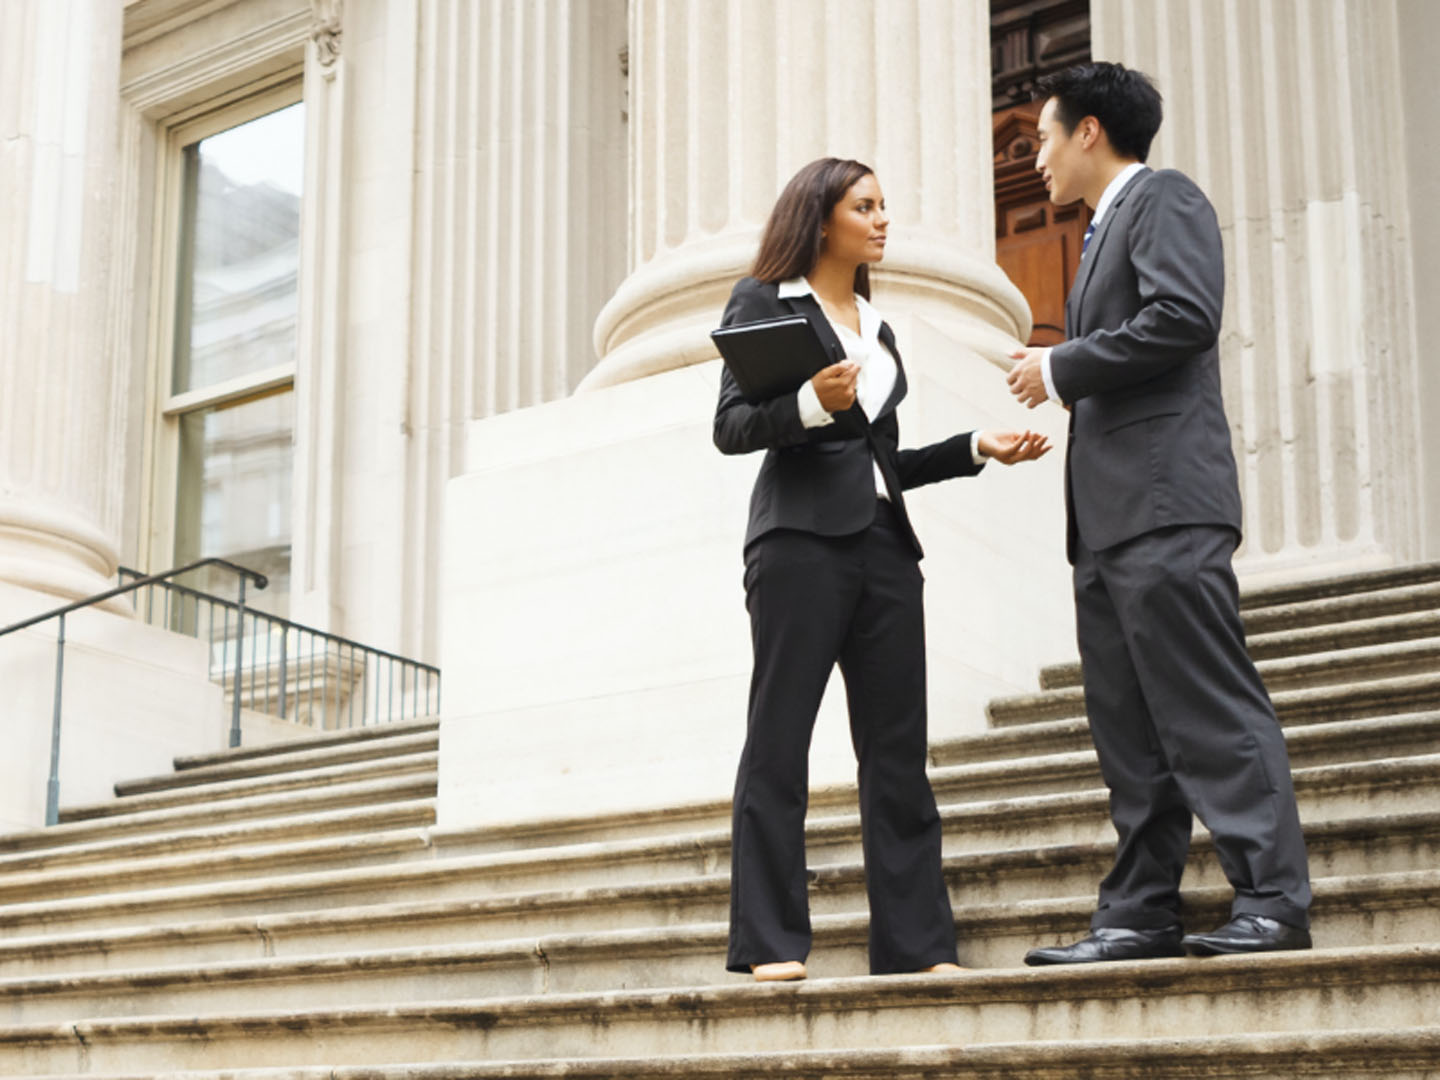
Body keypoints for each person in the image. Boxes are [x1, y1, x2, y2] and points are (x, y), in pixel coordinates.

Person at [715, 157, 1050, 982]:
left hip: (886, 547)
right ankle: (770, 944)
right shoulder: (765, 301)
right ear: (822, 219)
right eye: (864, 206)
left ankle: (918, 946)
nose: (882, 219)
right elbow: (730, 426)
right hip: (796, 544)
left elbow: (884, 458)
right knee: (778, 741)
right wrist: (807, 403)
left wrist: (977, 446)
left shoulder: (878, 326)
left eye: (884, 205)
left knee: (898, 753)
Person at [1006, 63, 1312, 964]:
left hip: (1167, 504)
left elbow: (1184, 316)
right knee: (1130, 733)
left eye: (1046, 138)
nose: (1038, 161)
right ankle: (1140, 911)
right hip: (1106, 522)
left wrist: (1060, 369)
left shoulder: (1164, 199)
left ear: (1091, 130)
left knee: (1208, 708)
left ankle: (1272, 902)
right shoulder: (1101, 231)